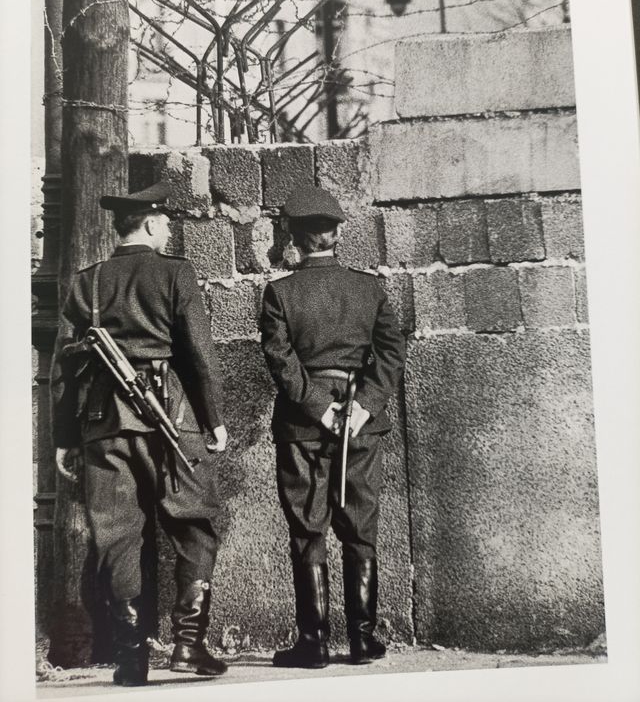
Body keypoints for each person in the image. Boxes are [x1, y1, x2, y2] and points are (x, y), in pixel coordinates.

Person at [51, 180, 228, 687]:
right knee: (193, 525)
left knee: (116, 536)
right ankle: (188, 647)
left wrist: (64, 436)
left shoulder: (87, 282)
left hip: (104, 425)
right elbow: (198, 353)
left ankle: (132, 660)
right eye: (166, 222)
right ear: (150, 225)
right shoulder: (174, 272)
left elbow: (64, 368)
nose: (168, 230)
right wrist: (213, 418)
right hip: (170, 416)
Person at [260, 185, 406, 669]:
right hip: (362, 424)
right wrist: (363, 406)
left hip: (304, 425)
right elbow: (391, 353)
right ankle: (363, 640)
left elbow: (280, 361)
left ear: (294, 237)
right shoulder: (370, 288)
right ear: (338, 232)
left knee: (308, 529)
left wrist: (320, 408)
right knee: (360, 528)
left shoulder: (280, 293)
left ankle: (314, 643)